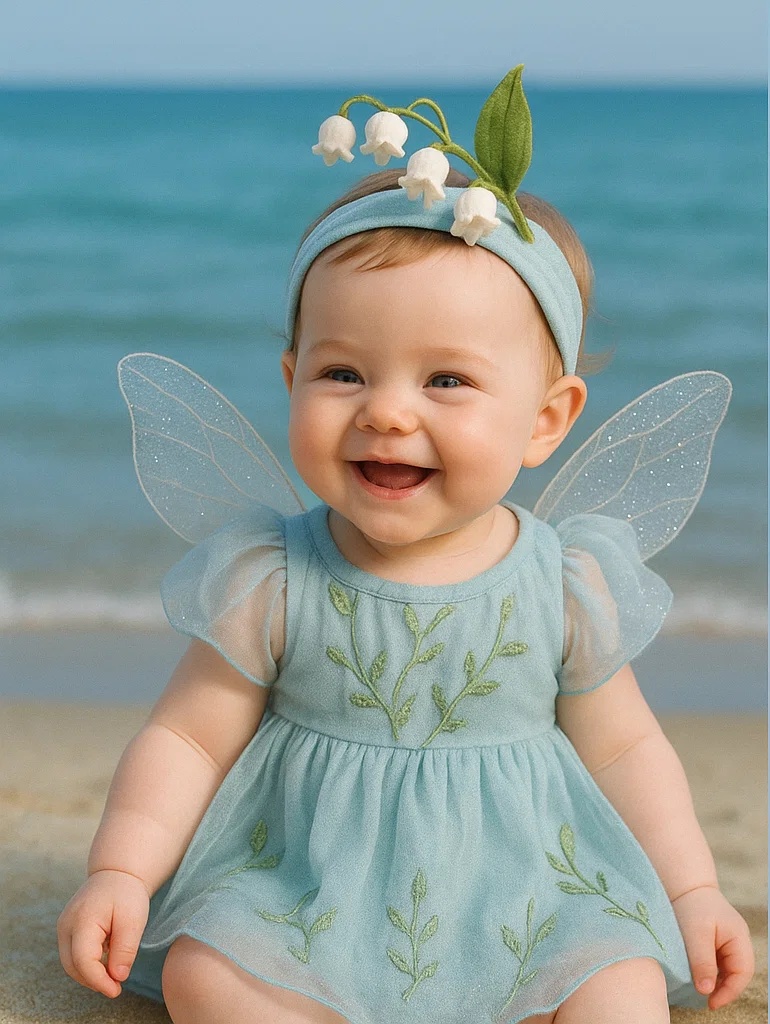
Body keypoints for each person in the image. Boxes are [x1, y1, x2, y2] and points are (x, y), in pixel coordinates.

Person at [57, 70, 753, 1024]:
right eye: (343, 372)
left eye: (448, 381)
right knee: (206, 976)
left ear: (546, 422)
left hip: (526, 892)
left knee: (620, 989)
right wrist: (122, 871)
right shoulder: (276, 576)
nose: (386, 411)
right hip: (303, 885)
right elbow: (185, 736)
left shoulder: (560, 583)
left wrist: (692, 894)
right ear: (290, 377)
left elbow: (629, 749)